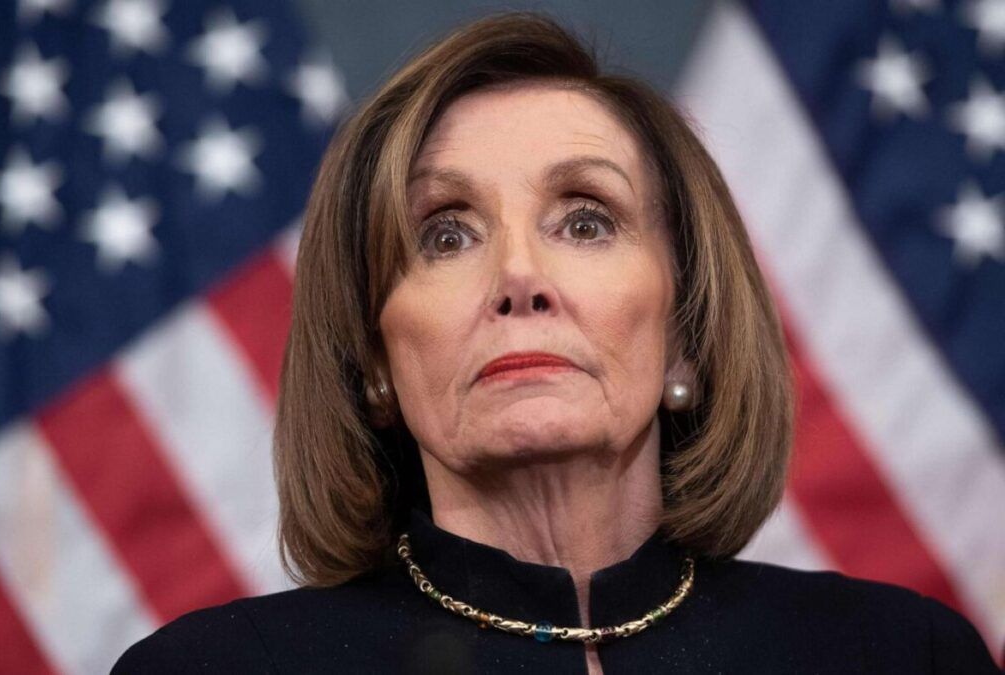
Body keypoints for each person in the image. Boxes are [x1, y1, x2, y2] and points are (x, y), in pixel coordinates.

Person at [113, 12, 998, 674]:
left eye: (586, 220)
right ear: (374, 359)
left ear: (684, 331)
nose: (519, 275)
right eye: (445, 234)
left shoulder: (900, 654)